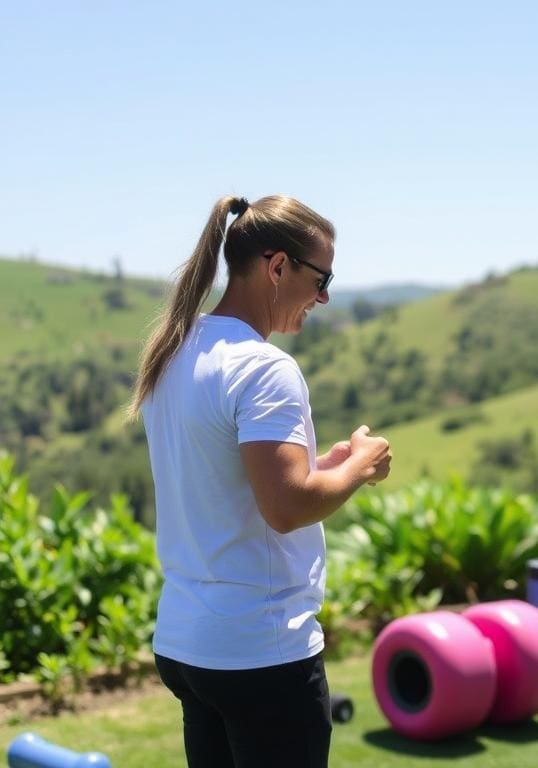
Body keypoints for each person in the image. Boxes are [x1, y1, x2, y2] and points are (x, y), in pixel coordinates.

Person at [129, 195, 392, 768]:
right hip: (259, 653)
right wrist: (359, 466)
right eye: (321, 278)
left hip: (186, 643)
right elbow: (286, 509)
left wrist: (321, 469)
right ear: (277, 267)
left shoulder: (174, 350)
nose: (323, 296)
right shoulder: (265, 366)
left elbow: (229, 485)